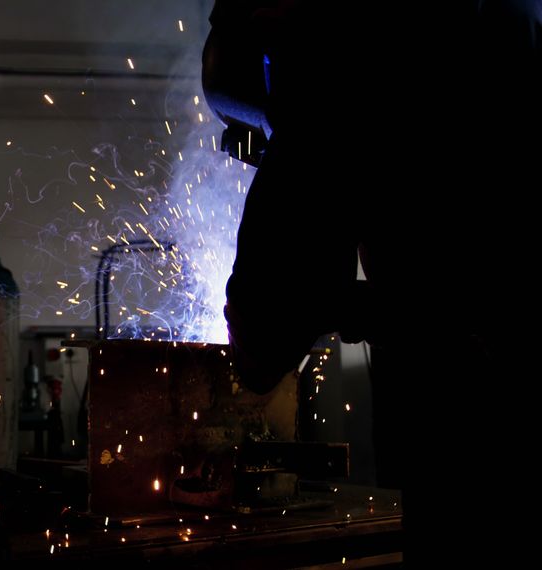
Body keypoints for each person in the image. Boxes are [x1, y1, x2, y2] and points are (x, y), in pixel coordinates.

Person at [209, 0, 533, 517]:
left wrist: (319, 309)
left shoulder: (334, 61)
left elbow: (262, 333)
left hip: (470, 383)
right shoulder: (503, 33)